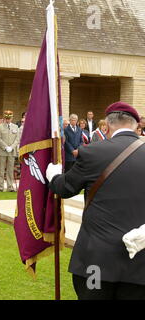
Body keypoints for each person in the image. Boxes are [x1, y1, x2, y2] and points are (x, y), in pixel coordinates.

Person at [46, 101, 145, 300]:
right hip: (140, 262)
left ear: (107, 126)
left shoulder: (93, 151)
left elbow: (65, 188)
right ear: (137, 126)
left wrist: (54, 176)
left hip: (96, 259)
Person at [0, 110, 19, 192]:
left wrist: (12, 147)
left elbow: (17, 139)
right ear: (4, 118)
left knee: (10, 170)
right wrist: (5, 147)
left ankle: (10, 187)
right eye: (6, 118)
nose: (8, 120)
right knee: (1, 170)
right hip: (3, 151)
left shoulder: (15, 127)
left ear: (12, 118)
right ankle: (0, 187)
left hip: (12, 151)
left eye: (9, 118)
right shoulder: (0, 126)